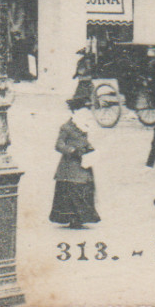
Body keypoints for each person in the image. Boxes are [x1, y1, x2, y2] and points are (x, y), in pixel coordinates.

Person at [50, 98, 100, 229]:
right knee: (72, 189)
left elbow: (84, 142)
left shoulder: (83, 126)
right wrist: (72, 150)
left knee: (84, 188)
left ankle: (80, 217)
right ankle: (73, 218)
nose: (87, 114)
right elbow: (59, 145)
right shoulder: (66, 127)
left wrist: (90, 150)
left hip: (83, 163)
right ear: (76, 112)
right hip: (70, 165)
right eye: (84, 111)